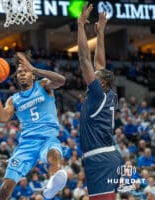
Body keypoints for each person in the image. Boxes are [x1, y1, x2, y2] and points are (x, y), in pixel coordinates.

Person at [0, 51, 67, 199]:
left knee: (54, 156)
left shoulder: (43, 85)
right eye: (19, 72)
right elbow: (2, 118)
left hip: (48, 138)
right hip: (26, 144)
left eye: (25, 71)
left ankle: (52, 184)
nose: (22, 74)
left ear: (33, 75)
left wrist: (34, 68)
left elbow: (61, 80)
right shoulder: (14, 99)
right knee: (6, 186)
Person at [77, 4, 123, 200]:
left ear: (101, 82)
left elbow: (84, 59)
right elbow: (100, 64)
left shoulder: (98, 94)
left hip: (100, 159)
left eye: (96, 77)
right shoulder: (108, 92)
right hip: (109, 155)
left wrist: (80, 25)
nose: (92, 76)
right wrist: (101, 33)